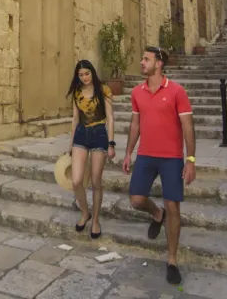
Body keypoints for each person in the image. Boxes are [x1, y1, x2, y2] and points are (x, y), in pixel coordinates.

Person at [122, 46, 196, 285]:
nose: (142, 62)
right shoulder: (137, 92)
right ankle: (156, 213)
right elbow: (135, 125)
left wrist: (191, 160)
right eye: (142, 58)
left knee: (173, 206)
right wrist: (128, 152)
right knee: (135, 200)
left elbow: (188, 128)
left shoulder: (176, 91)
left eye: (146, 59)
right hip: (145, 155)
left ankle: (172, 260)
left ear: (159, 63)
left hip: (171, 158)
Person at [65, 60, 115, 240]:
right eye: (81, 75)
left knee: (95, 181)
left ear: (92, 72)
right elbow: (75, 119)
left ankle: (95, 220)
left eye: (87, 73)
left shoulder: (104, 90)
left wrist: (111, 143)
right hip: (81, 135)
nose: (84, 77)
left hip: (99, 134)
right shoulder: (77, 93)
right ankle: (85, 213)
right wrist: (70, 144)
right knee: (77, 180)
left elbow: (110, 118)